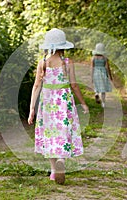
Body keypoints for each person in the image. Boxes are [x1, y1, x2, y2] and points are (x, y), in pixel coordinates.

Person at [27, 28, 89, 185]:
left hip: (47, 102)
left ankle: (54, 170)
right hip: (64, 101)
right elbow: (74, 85)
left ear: (48, 46)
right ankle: (62, 158)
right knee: (63, 130)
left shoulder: (43, 63)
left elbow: (36, 86)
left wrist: (31, 109)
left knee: (50, 133)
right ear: (63, 46)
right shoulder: (67, 62)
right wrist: (83, 103)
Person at [91, 43, 112, 108]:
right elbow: (107, 67)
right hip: (103, 73)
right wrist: (110, 76)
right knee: (103, 88)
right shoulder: (105, 58)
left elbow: (92, 67)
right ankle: (103, 103)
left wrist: (91, 76)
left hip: (96, 73)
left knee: (96, 85)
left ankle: (96, 93)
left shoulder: (93, 58)